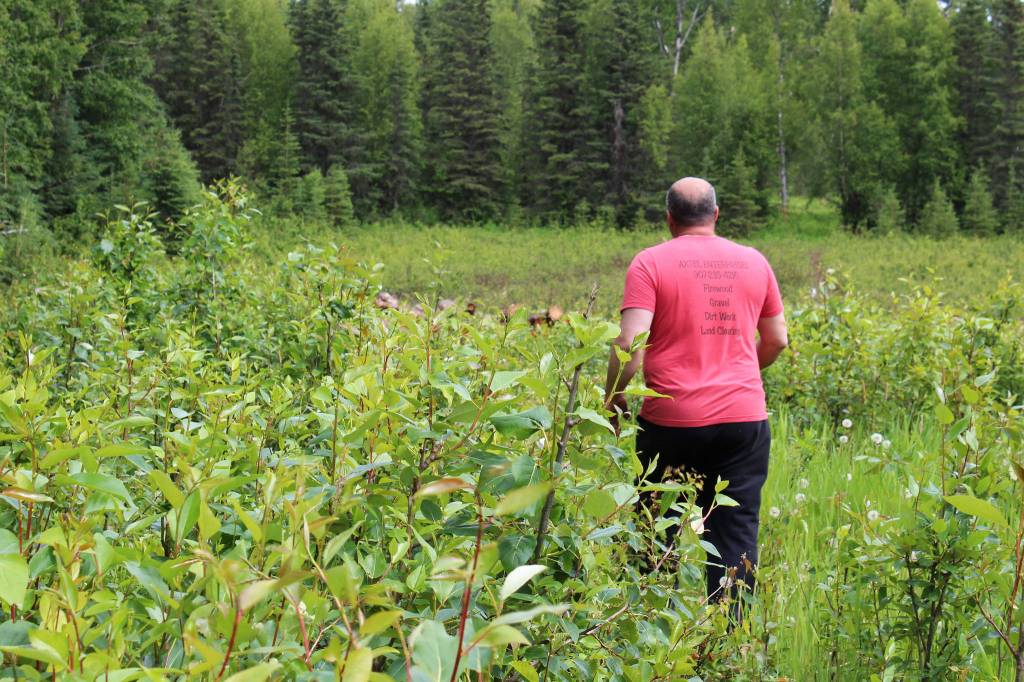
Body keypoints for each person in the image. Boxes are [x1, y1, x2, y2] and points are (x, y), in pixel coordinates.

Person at [603, 176, 788, 605]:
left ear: (669, 219)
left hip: (672, 424)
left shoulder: (650, 263)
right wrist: (741, 372)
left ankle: (647, 633)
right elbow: (777, 339)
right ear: (716, 214)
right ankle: (728, 646)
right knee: (735, 533)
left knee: (654, 528)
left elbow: (631, 343)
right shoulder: (754, 261)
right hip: (743, 422)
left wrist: (613, 397)